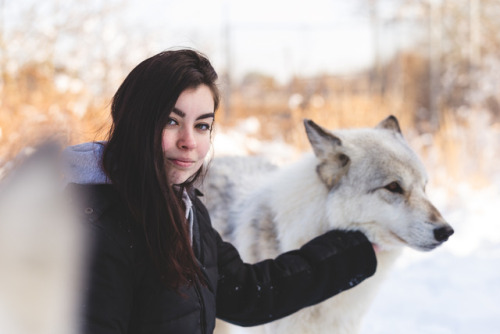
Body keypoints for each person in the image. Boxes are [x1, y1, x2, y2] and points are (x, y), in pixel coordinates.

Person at [63, 49, 377, 334]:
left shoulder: (184, 209)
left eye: (202, 126)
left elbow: (246, 293)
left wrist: (350, 252)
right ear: (136, 123)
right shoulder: (92, 229)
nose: (189, 142)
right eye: (171, 122)